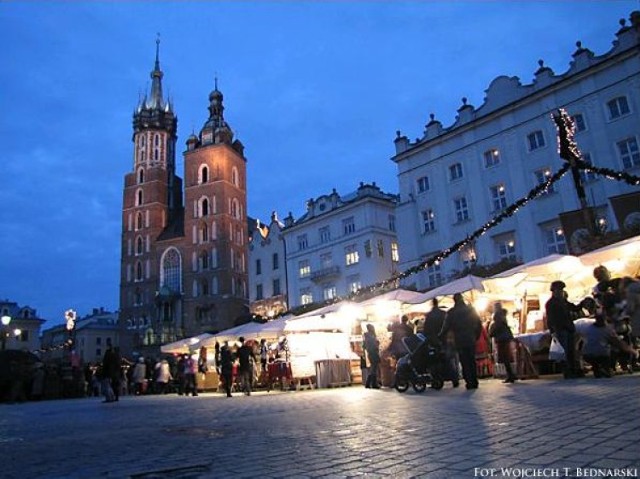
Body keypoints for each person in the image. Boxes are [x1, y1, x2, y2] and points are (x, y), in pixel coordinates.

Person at [439, 293, 483, 390]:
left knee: (464, 361)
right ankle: (475, 380)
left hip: (460, 340)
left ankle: (469, 382)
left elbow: (445, 328)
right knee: (472, 360)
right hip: (471, 338)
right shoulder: (471, 309)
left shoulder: (451, 312)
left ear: (454, 300)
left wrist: (440, 337)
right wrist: (476, 336)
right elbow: (479, 324)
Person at [545, 280, 585, 379]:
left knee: (571, 350)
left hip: (569, 328)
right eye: (558, 290)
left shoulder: (563, 301)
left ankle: (573, 370)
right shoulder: (550, 303)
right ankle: (568, 372)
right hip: (560, 329)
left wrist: (583, 303)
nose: (560, 292)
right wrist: (552, 331)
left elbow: (574, 308)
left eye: (561, 290)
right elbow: (550, 318)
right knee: (565, 351)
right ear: (553, 291)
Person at [582, 313, 639, 377]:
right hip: (601, 355)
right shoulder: (607, 329)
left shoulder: (588, 327)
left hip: (586, 355)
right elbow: (619, 343)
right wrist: (633, 351)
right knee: (613, 349)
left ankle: (597, 368)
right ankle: (607, 368)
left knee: (599, 348)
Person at [488, 305, 517, 383]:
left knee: (505, 358)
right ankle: (511, 374)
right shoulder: (503, 318)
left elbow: (492, 332)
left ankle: (510, 375)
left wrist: (491, 331)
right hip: (506, 339)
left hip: (501, 340)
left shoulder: (497, 319)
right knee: (507, 358)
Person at [363, 324, 381, 389]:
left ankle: (368, 383)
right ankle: (373, 383)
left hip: (370, 353)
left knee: (373, 368)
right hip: (373, 353)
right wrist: (377, 343)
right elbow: (374, 344)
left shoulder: (366, 336)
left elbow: (364, 346)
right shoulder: (371, 336)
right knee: (374, 368)